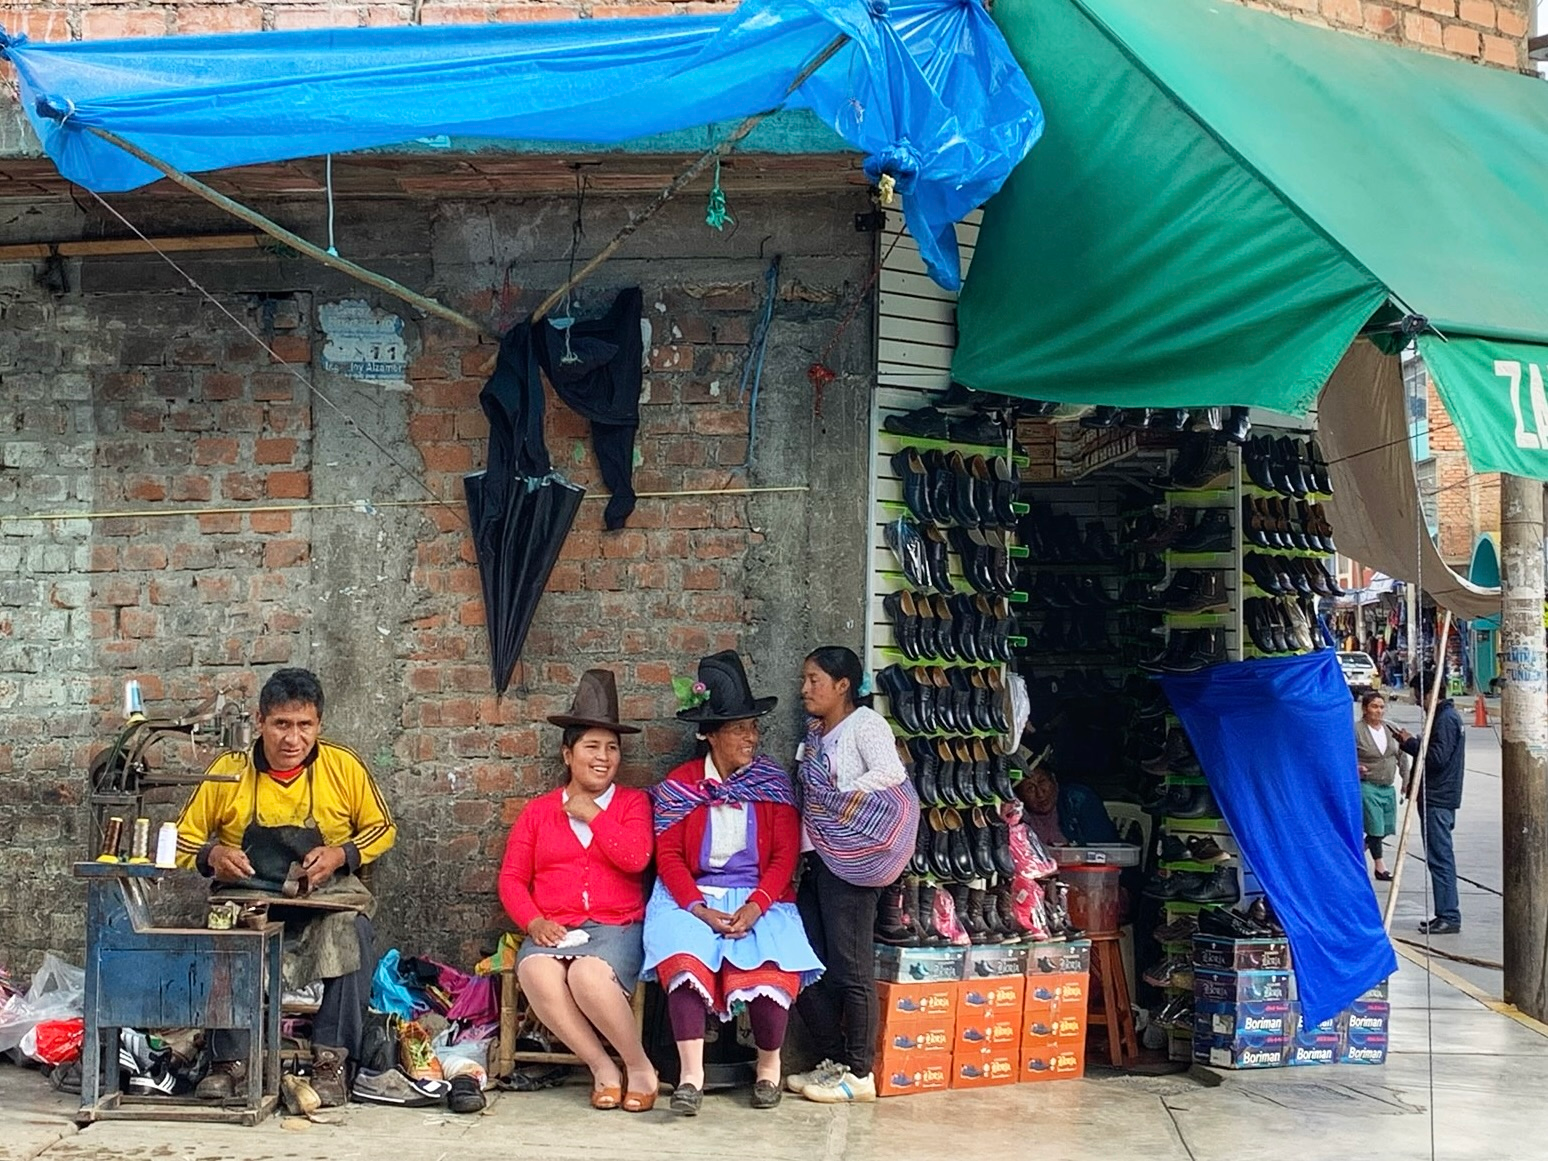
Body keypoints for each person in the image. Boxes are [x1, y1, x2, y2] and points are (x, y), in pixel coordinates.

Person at [175, 668, 396, 1106]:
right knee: (225, 935)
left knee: (354, 934)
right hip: (249, 896)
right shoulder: (229, 769)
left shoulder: (343, 767)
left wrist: (340, 855)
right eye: (281, 724)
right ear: (259, 721)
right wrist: (213, 856)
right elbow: (182, 837)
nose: (292, 738)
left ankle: (330, 1063)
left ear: (319, 725)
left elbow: (383, 828)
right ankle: (228, 1063)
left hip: (323, 899)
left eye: (304, 726)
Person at [642, 650, 823, 1116]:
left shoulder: (771, 783)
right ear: (710, 734)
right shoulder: (680, 788)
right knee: (682, 960)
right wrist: (698, 909)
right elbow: (670, 857)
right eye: (740, 728)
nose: (751, 737)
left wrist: (757, 906)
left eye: (753, 727)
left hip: (760, 895)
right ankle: (690, 1078)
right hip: (692, 895)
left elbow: (784, 857)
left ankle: (768, 1068)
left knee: (769, 966)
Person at [496, 669, 658, 1112]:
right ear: (568, 754)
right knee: (536, 970)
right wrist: (533, 921)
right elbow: (511, 879)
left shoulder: (632, 804)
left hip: (618, 927)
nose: (603, 757)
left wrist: (594, 815)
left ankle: (639, 1066)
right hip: (556, 927)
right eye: (592, 747)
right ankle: (601, 1067)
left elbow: (637, 858)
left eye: (612, 748)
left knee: (587, 974)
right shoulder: (538, 813)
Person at [787, 646, 917, 1105]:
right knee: (805, 963)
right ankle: (832, 1060)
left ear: (843, 685)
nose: (805, 690)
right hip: (816, 861)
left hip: (853, 864)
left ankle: (859, 1073)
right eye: (804, 680)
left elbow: (890, 778)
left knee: (851, 967)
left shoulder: (866, 726)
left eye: (814, 680)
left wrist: (835, 799)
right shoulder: (817, 734)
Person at [1395, 671, 1465, 934]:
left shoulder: (1446, 719)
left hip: (1439, 798)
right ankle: (1444, 912)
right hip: (1433, 796)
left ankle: (1449, 914)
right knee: (1437, 857)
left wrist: (1410, 743)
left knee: (1441, 858)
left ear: (1427, 692)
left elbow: (1435, 759)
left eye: (1416, 693)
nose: (1414, 700)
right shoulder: (1440, 717)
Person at [1353, 691, 1410, 881]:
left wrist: (1406, 780)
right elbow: (1344, 756)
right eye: (1374, 707)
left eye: (1381, 707)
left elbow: (1402, 755)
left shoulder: (1391, 729)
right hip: (1368, 785)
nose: (1378, 711)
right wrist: (1355, 768)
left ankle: (1356, 851)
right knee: (1375, 827)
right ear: (1365, 709)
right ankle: (1380, 866)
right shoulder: (1356, 730)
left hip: (1387, 786)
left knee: (1385, 828)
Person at [1014, 758, 1119, 847]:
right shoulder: (1016, 816)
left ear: (1054, 780)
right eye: (1029, 788)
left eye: (1042, 781)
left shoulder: (1078, 800)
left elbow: (1103, 847)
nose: (1040, 794)